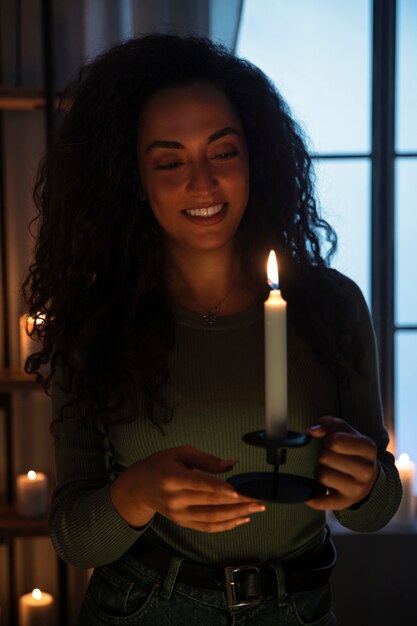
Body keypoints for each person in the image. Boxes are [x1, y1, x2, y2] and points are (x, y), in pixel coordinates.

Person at [23, 34, 401, 625]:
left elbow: (373, 510)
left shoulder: (331, 306)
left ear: (256, 157)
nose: (202, 183)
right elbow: (74, 540)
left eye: (222, 152)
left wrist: (364, 484)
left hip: (298, 608)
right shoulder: (96, 324)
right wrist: (139, 493)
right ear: (133, 178)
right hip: (146, 608)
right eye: (170, 161)